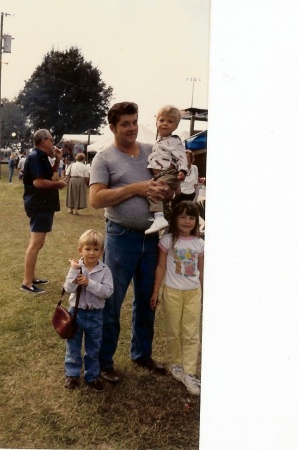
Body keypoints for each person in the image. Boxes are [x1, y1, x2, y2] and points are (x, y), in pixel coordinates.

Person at [89, 101, 175, 383]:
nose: (132, 128)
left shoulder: (152, 151)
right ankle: (104, 362)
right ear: (113, 127)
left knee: (147, 299)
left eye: (135, 122)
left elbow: (169, 186)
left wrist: (167, 191)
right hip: (120, 237)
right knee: (112, 300)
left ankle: (142, 354)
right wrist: (136, 188)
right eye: (125, 123)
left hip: (152, 237)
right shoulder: (103, 158)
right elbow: (96, 199)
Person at [150, 200, 204, 396]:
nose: (187, 221)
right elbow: (161, 267)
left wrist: (203, 291)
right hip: (172, 293)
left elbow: (201, 270)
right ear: (175, 218)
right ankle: (176, 365)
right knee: (173, 330)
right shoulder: (168, 240)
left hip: (193, 294)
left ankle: (189, 372)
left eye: (191, 217)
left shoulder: (200, 243)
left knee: (191, 333)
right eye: (182, 216)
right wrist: (156, 291)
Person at [63, 229, 114, 391]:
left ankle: (91, 376)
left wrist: (88, 283)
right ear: (80, 250)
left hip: (95, 315)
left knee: (93, 348)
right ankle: (72, 375)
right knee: (73, 346)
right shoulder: (77, 267)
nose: (91, 253)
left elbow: (107, 292)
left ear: (102, 251)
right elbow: (68, 288)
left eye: (96, 249)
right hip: (76, 313)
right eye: (87, 249)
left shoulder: (105, 270)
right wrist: (73, 270)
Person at [21, 129, 67, 294]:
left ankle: (31, 277)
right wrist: (59, 185)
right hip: (39, 204)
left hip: (43, 204)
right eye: (51, 139)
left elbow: (50, 174)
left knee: (38, 243)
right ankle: (27, 282)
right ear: (43, 141)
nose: (53, 142)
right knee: (36, 244)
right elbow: (39, 183)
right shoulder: (35, 157)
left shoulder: (41, 157)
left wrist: (57, 160)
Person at [145, 105, 189, 235]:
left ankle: (159, 218)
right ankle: (170, 222)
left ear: (176, 126)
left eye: (170, 122)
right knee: (163, 201)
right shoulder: (157, 141)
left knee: (153, 191)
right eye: (162, 120)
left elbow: (182, 157)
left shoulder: (174, 140)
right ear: (156, 122)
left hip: (169, 174)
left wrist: (183, 171)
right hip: (161, 176)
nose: (165, 124)